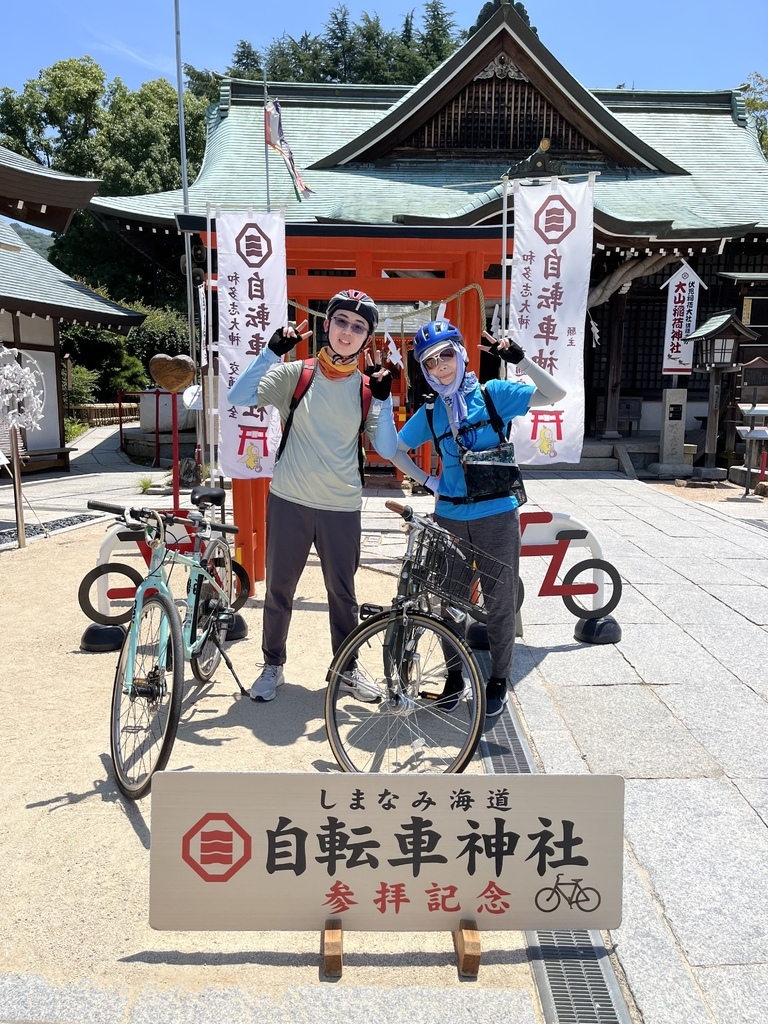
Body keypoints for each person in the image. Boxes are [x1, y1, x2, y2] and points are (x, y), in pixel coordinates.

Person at [390, 318, 566, 718]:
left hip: (496, 513)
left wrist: (521, 360)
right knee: (448, 603)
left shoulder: (492, 395)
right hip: (449, 516)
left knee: (499, 602)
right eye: (430, 362)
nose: (440, 367)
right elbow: (395, 448)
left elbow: (554, 393)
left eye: (447, 355)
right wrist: (430, 481)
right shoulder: (432, 413)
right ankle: (455, 675)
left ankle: (499, 679)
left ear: (462, 354)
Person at [228, 289, 397, 702]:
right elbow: (238, 397)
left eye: (359, 327)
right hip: (290, 499)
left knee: (344, 595)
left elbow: (388, 448)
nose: (348, 332)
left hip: (341, 506)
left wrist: (385, 399)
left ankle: (347, 668)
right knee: (280, 588)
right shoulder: (296, 374)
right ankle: (273, 665)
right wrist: (270, 354)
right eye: (341, 321)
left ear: (366, 337)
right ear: (327, 325)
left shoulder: (365, 388)